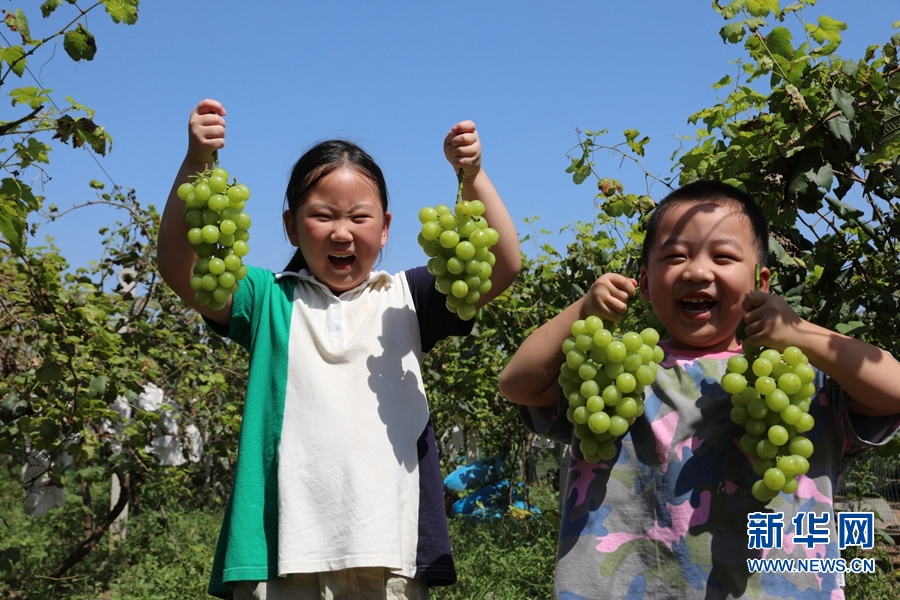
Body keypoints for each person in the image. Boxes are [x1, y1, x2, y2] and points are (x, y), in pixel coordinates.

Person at [157, 99, 521, 600]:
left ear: (386, 227)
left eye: (359, 216)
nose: (342, 231)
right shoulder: (268, 298)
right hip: (280, 554)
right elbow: (180, 267)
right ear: (290, 227)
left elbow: (503, 263)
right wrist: (196, 163)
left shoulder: (408, 298)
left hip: (388, 553)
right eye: (323, 216)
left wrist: (473, 177)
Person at [498, 180, 900, 599]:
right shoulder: (618, 376)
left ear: (760, 283)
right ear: (646, 282)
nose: (696, 271)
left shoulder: (797, 379)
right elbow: (517, 383)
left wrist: (801, 333)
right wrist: (582, 310)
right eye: (675, 256)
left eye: (723, 256)